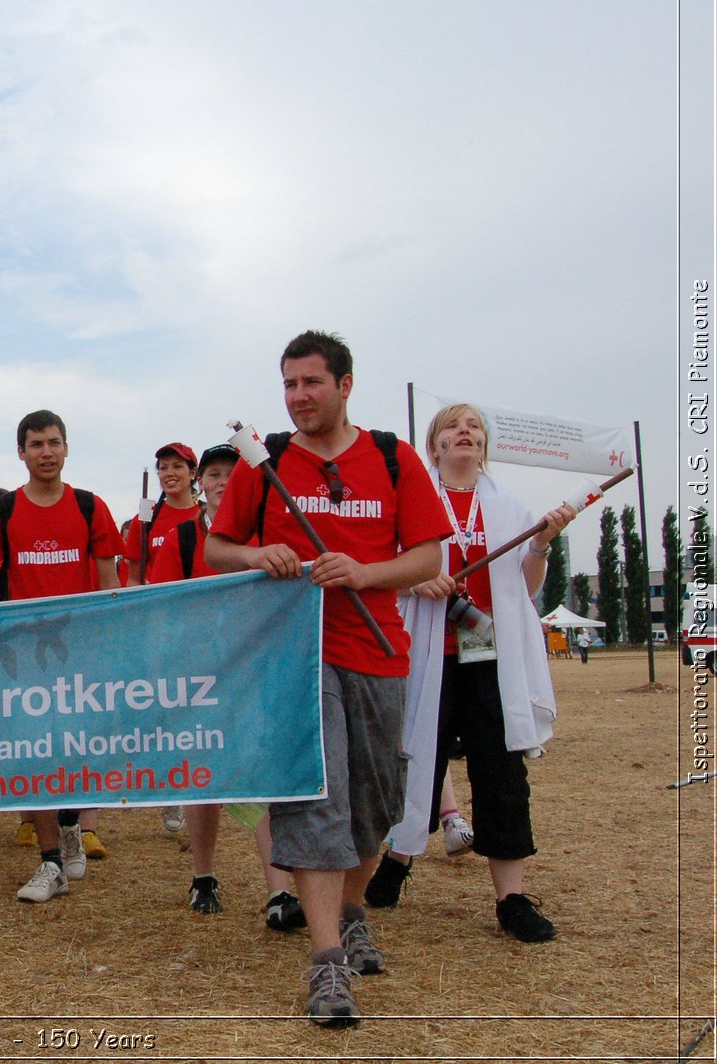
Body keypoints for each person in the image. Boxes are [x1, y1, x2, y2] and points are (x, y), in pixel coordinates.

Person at [204, 331, 448, 1026]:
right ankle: (327, 964)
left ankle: (350, 910)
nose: (298, 397)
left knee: (374, 805)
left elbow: (428, 557)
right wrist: (260, 555)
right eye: (289, 384)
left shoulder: (394, 459)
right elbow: (217, 547)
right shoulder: (267, 464)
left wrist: (365, 573)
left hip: (378, 653)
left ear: (345, 385)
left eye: (311, 382)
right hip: (296, 657)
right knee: (319, 800)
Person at [363, 403, 575, 942]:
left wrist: (542, 544)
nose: (465, 433)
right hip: (426, 650)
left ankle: (512, 898)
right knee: (414, 759)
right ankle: (399, 858)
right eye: (453, 427)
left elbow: (525, 586)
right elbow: (384, 568)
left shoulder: (509, 507)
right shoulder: (408, 500)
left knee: (500, 774)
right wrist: (416, 582)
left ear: (484, 446)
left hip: (489, 655)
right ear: (433, 447)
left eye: (474, 427)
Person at [0, 409, 123, 903]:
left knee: (75, 753)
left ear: (65, 448)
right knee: (33, 755)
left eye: (53, 442)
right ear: (21, 452)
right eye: (35, 444)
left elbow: (110, 586)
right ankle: (51, 862)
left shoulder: (90, 506)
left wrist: (111, 647)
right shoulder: (5, 511)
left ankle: (70, 823)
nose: (45, 452)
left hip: (78, 656)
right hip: (22, 659)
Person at [149, 442, 304, 931]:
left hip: (260, 669)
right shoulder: (182, 539)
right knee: (203, 777)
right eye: (213, 473)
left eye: (230, 474)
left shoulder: (269, 535)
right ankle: (204, 874)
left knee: (261, 779)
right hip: (200, 675)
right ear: (202, 482)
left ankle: (278, 891)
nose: (221, 481)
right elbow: (164, 606)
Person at [126, 442, 200, 586]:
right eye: (163, 468)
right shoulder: (145, 518)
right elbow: (134, 579)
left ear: (192, 473)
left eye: (177, 466)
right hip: (161, 606)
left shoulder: (207, 515)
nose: (169, 473)